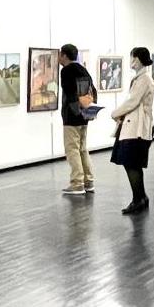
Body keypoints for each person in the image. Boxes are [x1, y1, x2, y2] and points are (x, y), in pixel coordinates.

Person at [108, 46, 154, 215]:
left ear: (138, 59)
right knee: (132, 163)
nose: (131, 61)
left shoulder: (144, 79)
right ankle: (140, 198)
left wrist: (115, 113)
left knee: (131, 164)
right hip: (132, 127)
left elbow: (133, 102)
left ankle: (138, 199)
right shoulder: (141, 78)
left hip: (137, 129)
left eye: (132, 57)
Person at [58, 44, 96, 196]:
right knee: (82, 148)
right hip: (84, 115)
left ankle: (77, 183)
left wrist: (75, 110)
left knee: (72, 149)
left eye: (60, 55)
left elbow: (69, 93)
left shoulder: (66, 71)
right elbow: (93, 90)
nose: (59, 58)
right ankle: (89, 181)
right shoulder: (83, 69)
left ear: (64, 55)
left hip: (72, 116)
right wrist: (87, 110)